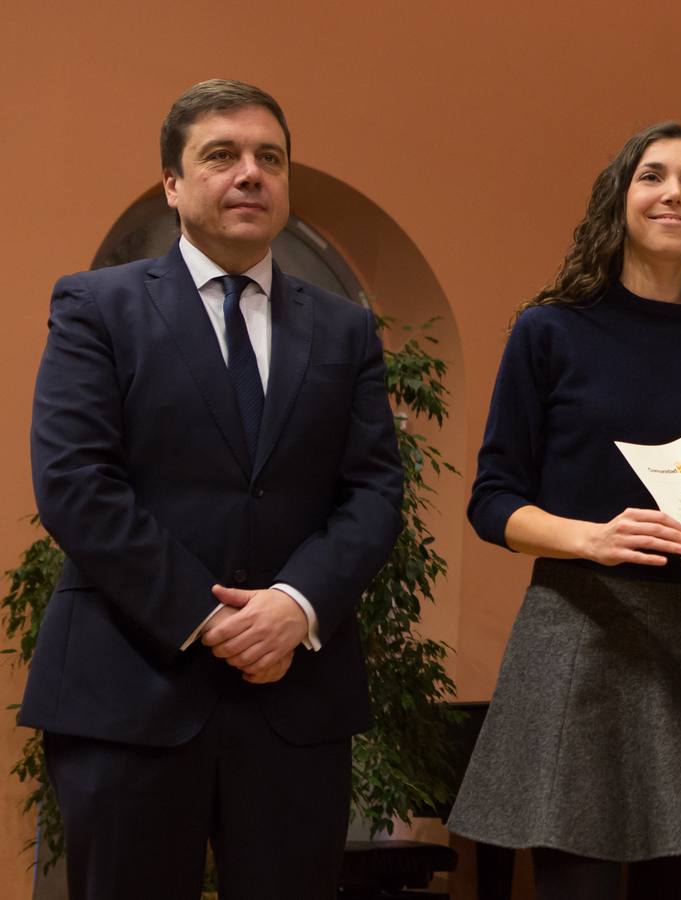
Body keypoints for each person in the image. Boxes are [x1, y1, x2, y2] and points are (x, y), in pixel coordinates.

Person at [23, 79, 404, 898]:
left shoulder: (345, 327)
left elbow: (373, 492)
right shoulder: (97, 307)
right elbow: (74, 483)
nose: (251, 174)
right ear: (172, 184)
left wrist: (296, 604)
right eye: (222, 156)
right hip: (130, 690)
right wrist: (211, 617)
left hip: (295, 699)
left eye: (270, 157)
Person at [446, 121, 681, 900]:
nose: (672, 194)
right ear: (619, 199)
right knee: (572, 881)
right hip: (575, 627)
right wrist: (589, 537)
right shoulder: (548, 330)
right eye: (653, 176)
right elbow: (491, 501)